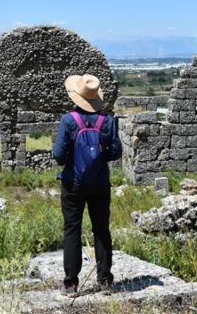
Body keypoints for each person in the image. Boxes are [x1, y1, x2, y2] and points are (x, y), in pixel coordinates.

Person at [52, 73, 122, 297]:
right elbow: (116, 152)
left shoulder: (69, 120)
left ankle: (71, 284)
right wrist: (98, 158)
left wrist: (72, 159)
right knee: (101, 229)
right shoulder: (107, 120)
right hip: (100, 183)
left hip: (73, 183)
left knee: (72, 229)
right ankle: (105, 281)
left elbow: (58, 154)